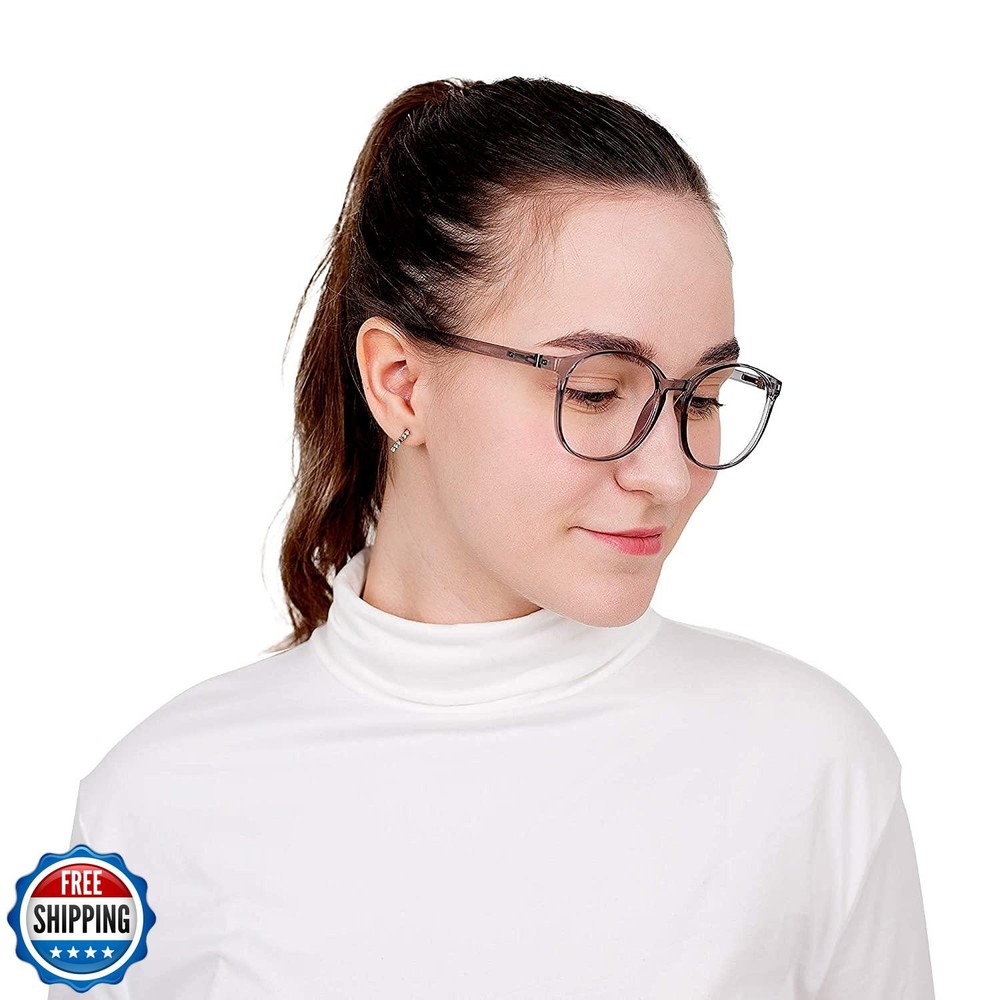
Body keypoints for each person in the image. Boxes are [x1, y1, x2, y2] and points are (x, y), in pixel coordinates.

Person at [48, 77, 935, 998]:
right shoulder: (159, 804)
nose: (670, 474)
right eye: (596, 391)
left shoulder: (809, 765)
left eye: (703, 399)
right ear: (400, 382)